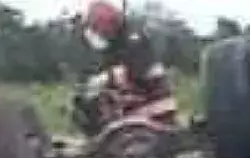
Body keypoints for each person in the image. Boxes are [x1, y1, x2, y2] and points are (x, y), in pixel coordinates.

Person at [71, 0, 178, 136]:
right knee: (87, 104)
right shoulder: (115, 44)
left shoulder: (134, 41)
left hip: (154, 110)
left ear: (106, 25)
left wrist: (104, 80)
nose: (95, 34)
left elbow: (132, 73)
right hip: (141, 102)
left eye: (95, 28)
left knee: (97, 105)